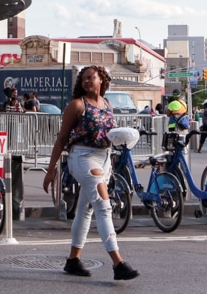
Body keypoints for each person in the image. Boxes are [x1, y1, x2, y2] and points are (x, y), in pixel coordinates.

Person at [41, 66, 138, 281]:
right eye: (83, 79)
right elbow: (61, 139)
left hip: (104, 158)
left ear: (101, 80)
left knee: (85, 210)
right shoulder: (77, 105)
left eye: (91, 78)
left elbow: (106, 132)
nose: (86, 81)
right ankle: (118, 263)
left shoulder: (107, 104)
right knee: (104, 206)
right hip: (83, 158)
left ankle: (73, 260)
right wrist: (50, 170)